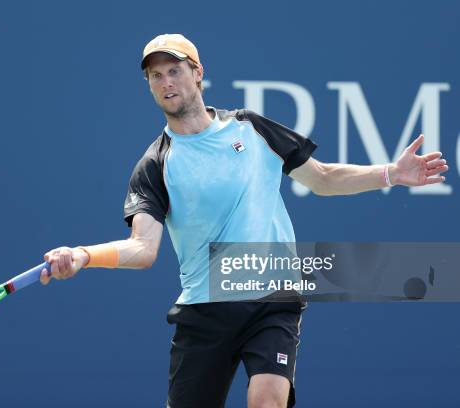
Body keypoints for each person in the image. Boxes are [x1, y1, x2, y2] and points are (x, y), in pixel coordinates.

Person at [38, 34, 449, 408]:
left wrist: (391, 174)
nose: (167, 83)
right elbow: (143, 249)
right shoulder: (154, 164)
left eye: (175, 71)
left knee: (266, 400)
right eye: (156, 75)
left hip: (273, 298)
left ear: (198, 74)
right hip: (204, 310)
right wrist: (82, 255)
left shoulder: (251, 129)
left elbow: (322, 179)